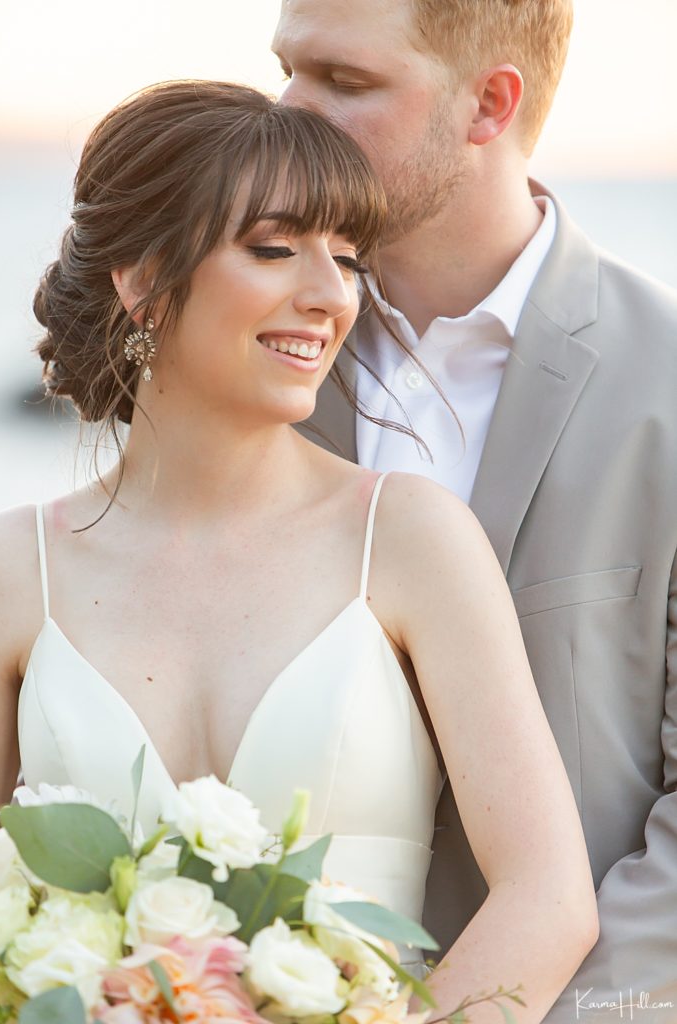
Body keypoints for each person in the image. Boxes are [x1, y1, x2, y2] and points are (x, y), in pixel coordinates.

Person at [0, 81, 597, 1022]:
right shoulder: (15, 570)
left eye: (349, 259)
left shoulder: (409, 540)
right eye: (273, 249)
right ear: (143, 279)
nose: (328, 297)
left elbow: (548, 899)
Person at [271, 0, 677, 1019]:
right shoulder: (231, 365)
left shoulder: (665, 379)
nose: (286, 111)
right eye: (283, 69)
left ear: (488, 104)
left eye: (342, 82)